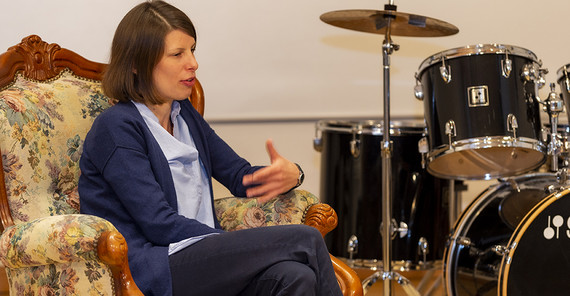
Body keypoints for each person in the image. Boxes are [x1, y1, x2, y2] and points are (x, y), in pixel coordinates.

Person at [78, 1, 343, 295]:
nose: (193, 63)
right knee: (305, 239)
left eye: (192, 50)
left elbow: (240, 176)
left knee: (295, 276)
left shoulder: (184, 113)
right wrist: (226, 243)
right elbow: (159, 225)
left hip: (200, 260)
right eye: (177, 54)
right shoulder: (116, 127)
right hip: (155, 266)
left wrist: (293, 174)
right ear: (137, 63)